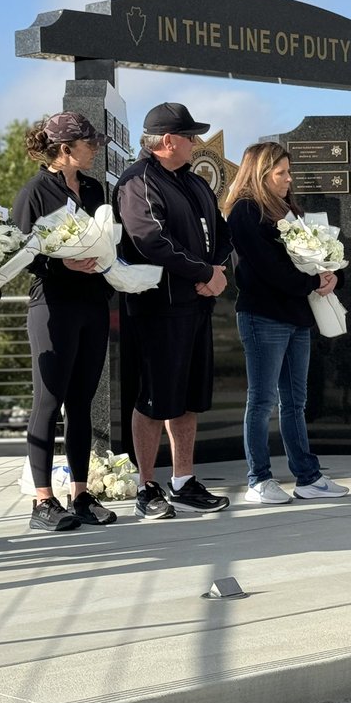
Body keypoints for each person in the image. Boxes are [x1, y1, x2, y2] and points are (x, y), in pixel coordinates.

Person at [113, 102, 232, 519]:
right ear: (168, 141)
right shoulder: (138, 182)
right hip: (157, 310)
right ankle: (146, 486)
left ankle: (183, 481)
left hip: (196, 305)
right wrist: (203, 272)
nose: (197, 143)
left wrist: (215, 271)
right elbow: (151, 241)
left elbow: (222, 231)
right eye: (191, 136)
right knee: (154, 399)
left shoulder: (194, 183)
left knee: (187, 399)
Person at [222, 142, 349, 504]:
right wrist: (312, 282)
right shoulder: (245, 211)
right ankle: (258, 479)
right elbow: (265, 267)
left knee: (295, 401)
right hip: (263, 316)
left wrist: (330, 274)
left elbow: (310, 256)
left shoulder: (288, 210)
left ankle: (307, 477)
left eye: (288, 172)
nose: (288, 180)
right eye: (281, 173)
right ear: (260, 175)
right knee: (262, 401)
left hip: (296, 315)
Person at [13, 112, 118, 531]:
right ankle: (43, 501)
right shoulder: (34, 192)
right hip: (53, 307)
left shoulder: (94, 188)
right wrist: (65, 265)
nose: (95, 149)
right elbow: (22, 255)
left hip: (92, 304)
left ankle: (80, 495)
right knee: (48, 401)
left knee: (82, 403)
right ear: (64, 149)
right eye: (88, 143)